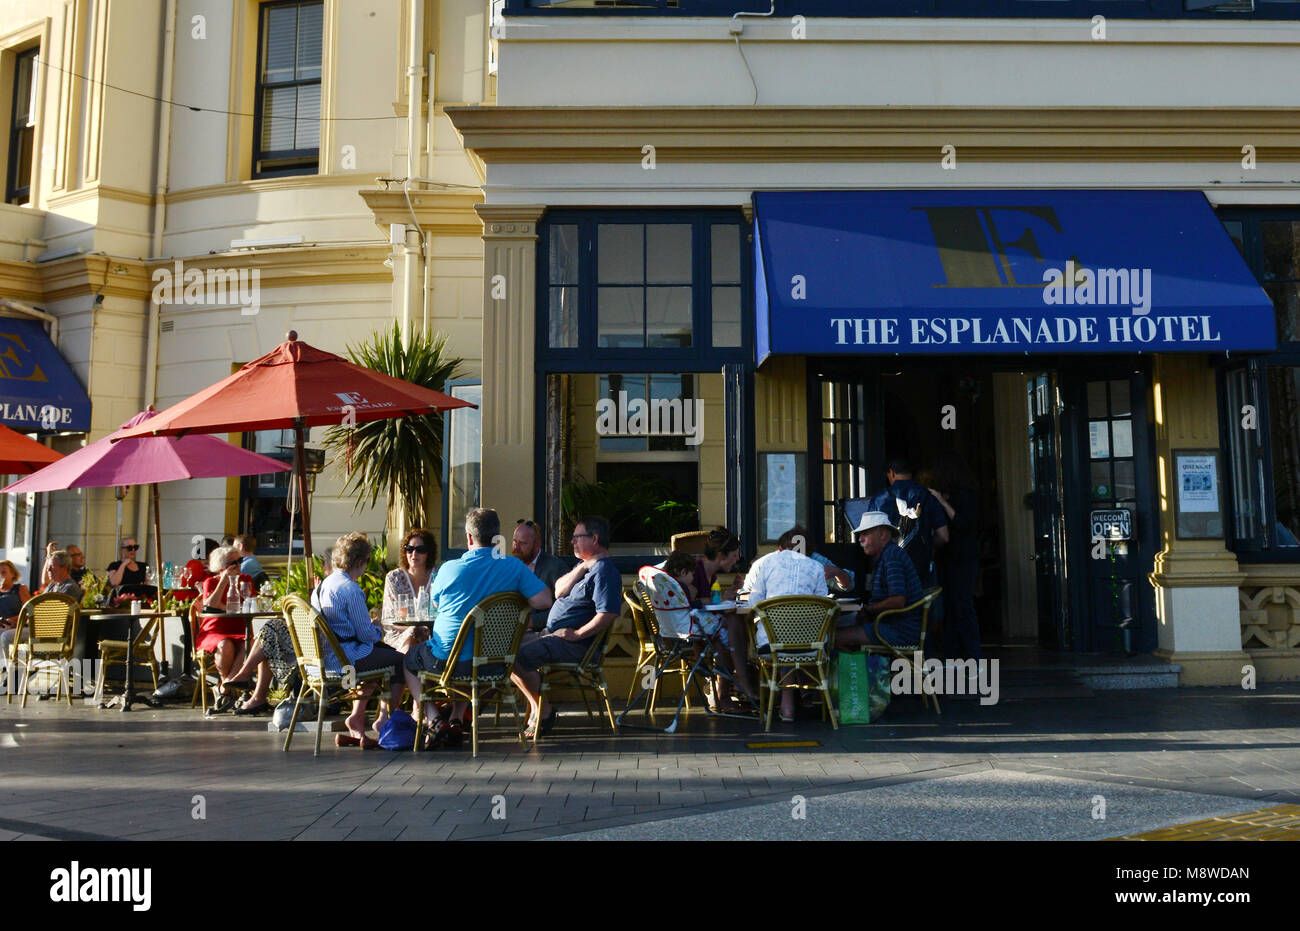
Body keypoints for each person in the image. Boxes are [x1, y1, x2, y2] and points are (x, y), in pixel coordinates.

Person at [403, 509, 552, 748]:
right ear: (497, 537)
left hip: (449, 663)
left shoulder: (449, 569)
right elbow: (544, 601)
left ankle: (433, 719)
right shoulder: (514, 567)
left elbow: (435, 603)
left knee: (411, 659)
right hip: (495, 663)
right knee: (467, 652)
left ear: (469, 538)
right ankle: (455, 719)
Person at [511, 515, 620, 739]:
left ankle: (543, 711)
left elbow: (607, 614)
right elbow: (559, 590)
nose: (572, 542)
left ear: (595, 538)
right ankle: (541, 706)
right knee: (504, 649)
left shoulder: (604, 572)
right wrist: (581, 569)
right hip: (554, 636)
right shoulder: (584, 565)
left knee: (517, 656)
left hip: (577, 644)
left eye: (576, 537)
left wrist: (577, 633)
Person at [312, 533, 406, 748]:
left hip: (320, 661)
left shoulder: (322, 586)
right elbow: (366, 636)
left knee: (381, 658)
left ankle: (357, 717)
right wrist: (377, 627)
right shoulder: (350, 589)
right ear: (360, 562)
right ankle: (386, 722)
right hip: (345, 661)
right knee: (400, 661)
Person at [742, 527, 829, 722]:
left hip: (772, 644)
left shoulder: (765, 564)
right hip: (812, 645)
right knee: (803, 640)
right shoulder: (815, 567)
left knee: (780, 643)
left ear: (780, 548)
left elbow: (754, 603)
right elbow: (823, 604)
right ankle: (813, 698)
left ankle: (786, 706)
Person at [836, 512, 924, 651]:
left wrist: (869, 610)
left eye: (865, 534)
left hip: (899, 630)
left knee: (833, 638)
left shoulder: (892, 556)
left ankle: (858, 671)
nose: (860, 539)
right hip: (890, 625)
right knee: (838, 630)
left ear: (882, 535)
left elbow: (898, 601)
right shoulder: (886, 556)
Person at [692, 527, 756, 707]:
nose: (736, 561)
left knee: (734, 626)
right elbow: (697, 603)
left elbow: (708, 603)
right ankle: (737, 686)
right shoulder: (696, 570)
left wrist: (730, 594)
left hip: (701, 624)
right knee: (734, 624)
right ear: (721, 554)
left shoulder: (709, 574)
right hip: (687, 626)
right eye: (734, 555)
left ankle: (728, 692)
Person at [928, 456, 981, 660]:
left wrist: (941, 501)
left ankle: (973, 656)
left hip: (963, 558)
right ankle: (954, 655)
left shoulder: (966, 496)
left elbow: (963, 523)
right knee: (950, 607)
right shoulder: (953, 495)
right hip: (949, 557)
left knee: (962, 606)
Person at [867, 457, 949, 586]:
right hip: (920, 568)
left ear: (891, 473)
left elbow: (871, 539)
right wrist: (925, 543)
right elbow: (944, 537)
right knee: (920, 603)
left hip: (889, 569)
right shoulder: (928, 496)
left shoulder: (879, 498)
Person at [198, 546, 254, 710]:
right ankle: (229, 690)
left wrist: (226, 607)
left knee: (249, 644)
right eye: (233, 563)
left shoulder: (246, 579)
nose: (238, 565)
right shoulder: (212, 581)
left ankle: (224, 688)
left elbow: (251, 603)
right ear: (221, 567)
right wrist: (224, 580)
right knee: (225, 645)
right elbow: (210, 605)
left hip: (239, 627)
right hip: (215, 629)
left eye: (239, 561)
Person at [380, 528, 436, 651]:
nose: (414, 554)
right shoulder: (395, 578)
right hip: (400, 634)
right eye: (409, 549)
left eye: (420, 550)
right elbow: (388, 620)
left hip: (433, 633)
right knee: (412, 633)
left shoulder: (437, 576)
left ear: (429, 552)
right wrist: (414, 629)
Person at [512, 519, 570, 630]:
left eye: (523, 543)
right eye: (515, 541)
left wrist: (531, 622)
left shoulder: (555, 568)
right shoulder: (511, 565)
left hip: (539, 633)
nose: (516, 547)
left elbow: (564, 608)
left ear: (537, 545)